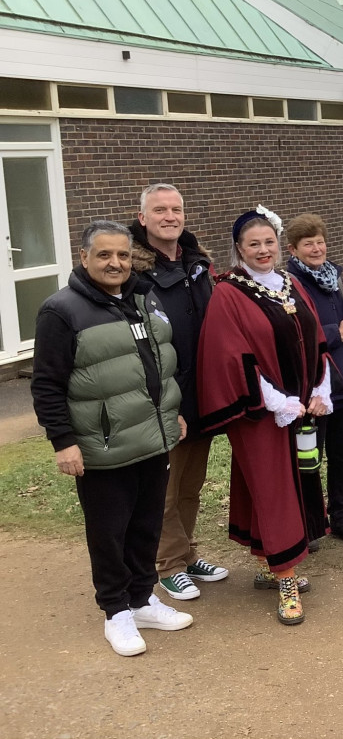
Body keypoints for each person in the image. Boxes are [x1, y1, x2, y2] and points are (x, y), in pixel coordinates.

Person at [31, 220, 194, 656]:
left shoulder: (143, 297)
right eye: (103, 255)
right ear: (83, 258)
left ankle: (141, 600)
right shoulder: (61, 311)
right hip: (102, 447)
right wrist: (62, 441)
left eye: (122, 255)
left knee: (146, 525)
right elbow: (47, 384)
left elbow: (159, 365)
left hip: (152, 436)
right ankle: (116, 612)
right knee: (109, 532)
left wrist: (170, 415)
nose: (114, 263)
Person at [197, 206, 335, 625]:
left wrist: (319, 388)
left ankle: (267, 563)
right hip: (262, 410)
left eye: (269, 243)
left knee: (289, 483)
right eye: (253, 244)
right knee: (273, 487)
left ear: (279, 245)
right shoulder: (228, 292)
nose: (263, 250)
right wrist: (276, 401)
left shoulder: (291, 283)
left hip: (300, 406)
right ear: (238, 248)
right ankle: (287, 577)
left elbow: (315, 337)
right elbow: (228, 356)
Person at [130, 183, 229, 601]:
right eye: (159, 210)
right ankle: (167, 564)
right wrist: (161, 400)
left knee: (192, 483)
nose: (170, 216)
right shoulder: (133, 273)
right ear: (143, 219)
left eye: (176, 209)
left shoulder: (198, 263)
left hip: (200, 393)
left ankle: (186, 553)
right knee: (166, 488)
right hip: (164, 396)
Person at [286, 213, 343, 545]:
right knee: (310, 458)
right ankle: (310, 523)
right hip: (315, 388)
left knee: (341, 455)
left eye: (320, 241)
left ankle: (341, 518)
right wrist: (337, 332)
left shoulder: (334, 277)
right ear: (293, 249)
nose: (317, 248)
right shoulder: (290, 285)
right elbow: (296, 336)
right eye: (308, 243)